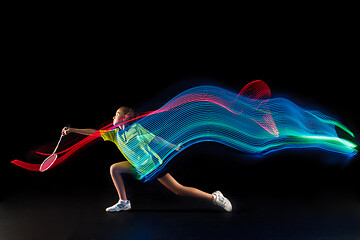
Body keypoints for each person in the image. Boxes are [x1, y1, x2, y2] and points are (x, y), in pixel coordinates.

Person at [63, 106, 232, 212]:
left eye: (116, 114)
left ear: (124, 117)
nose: (113, 117)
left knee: (178, 190)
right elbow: (94, 133)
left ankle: (215, 197)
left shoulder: (136, 128)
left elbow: (155, 139)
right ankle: (124, 202)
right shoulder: (114, 135)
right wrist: (72, 130)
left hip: (152, 164)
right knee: (114, 168)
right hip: (137, 166)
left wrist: (172, 146)